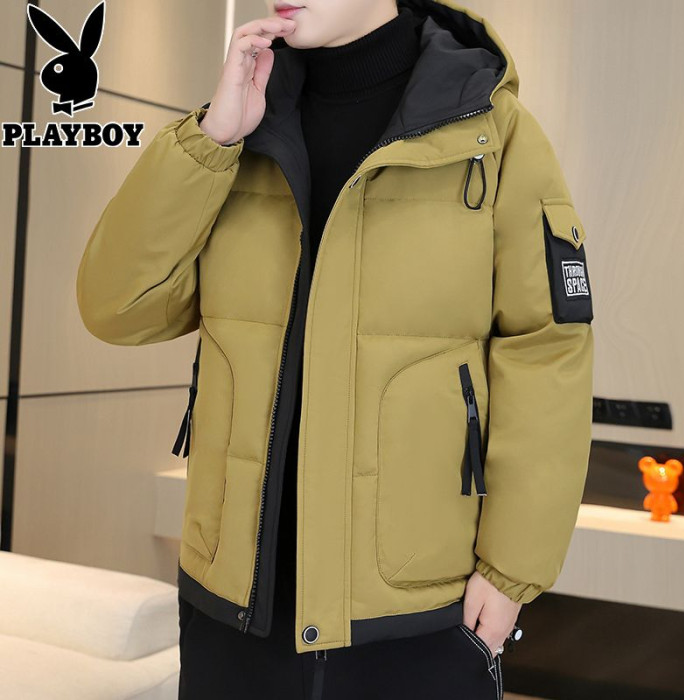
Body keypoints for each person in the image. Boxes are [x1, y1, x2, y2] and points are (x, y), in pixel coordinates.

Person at [76, 0, 594, 698]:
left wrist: (510, 574)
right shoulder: (246, 124)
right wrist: (210, 141)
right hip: (234, 609)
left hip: (414, 617)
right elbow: (116, 308)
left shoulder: (492, 133)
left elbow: (547, 354)